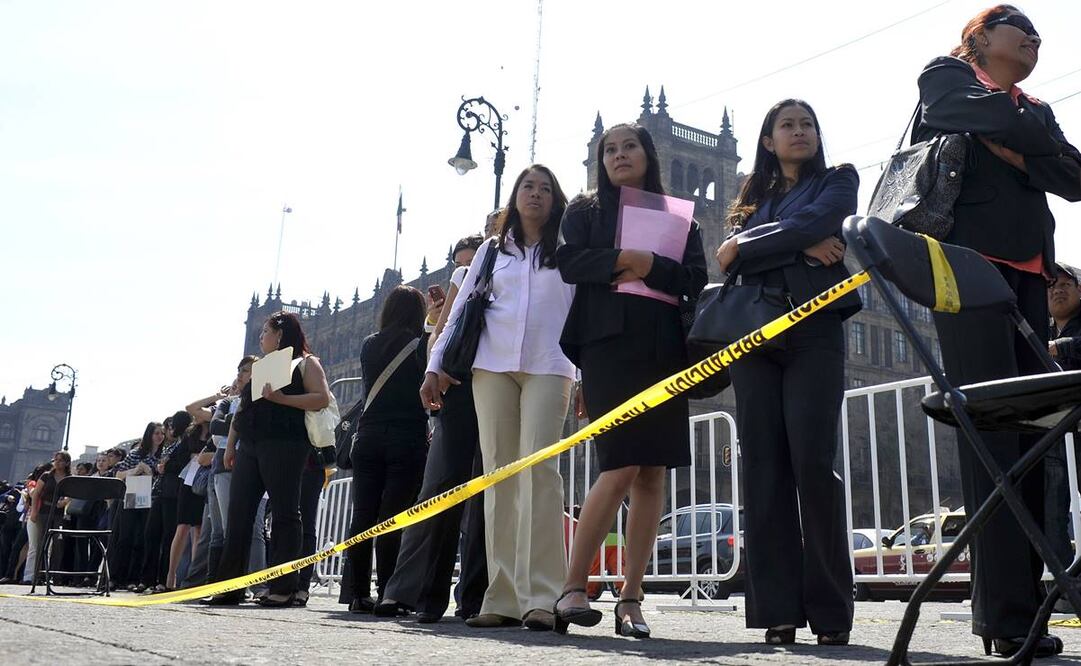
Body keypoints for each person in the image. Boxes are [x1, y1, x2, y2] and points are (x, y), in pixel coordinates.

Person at [915, 5, 1080, 657]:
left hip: (1027, 281)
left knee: (1031, 447)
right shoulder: (944, 73)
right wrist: (1027, 142)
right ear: (981, 38)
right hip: (965, 273)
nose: (1034, 41)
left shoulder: (1032, 106)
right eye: (1022, 32)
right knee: (991, 444)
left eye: (1039, 37)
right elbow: (964, 115)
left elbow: (1073, 177)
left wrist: (1020, 138)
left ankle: (1026, 608)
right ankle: (1000, 617)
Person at [713, 99, 861, 646]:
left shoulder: (838, 180)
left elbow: (820, 222)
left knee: (813, 466)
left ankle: (829, 612)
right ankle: (777, 611)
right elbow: (732, 260)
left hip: (813, 334)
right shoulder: (752, 196)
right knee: (764, 471)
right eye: (787, 126)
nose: (800, 132)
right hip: (753, 337)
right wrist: (794, 243)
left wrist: (742, 245)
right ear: (769, 140)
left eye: (808, 125)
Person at [553, 123, 707, 639]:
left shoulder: (678, 215)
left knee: (652, 474)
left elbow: (693, 281)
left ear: (648, 154)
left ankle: (632, 597)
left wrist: (650, 265)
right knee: (619, 465)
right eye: (609, 149)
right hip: (608, 346)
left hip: (663, 347)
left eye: (629, 146)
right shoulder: (584, 210)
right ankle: (574, 586)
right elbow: (569, 263)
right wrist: (624, 259)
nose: (619, 155)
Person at [423, 164, 574, 631]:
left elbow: (581, 313)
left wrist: (585, 376)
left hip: (551, 365)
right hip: (491, 368)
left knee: (540, 473)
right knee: (499, 476)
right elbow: (459, 313)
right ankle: (503, 594)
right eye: (528, 187)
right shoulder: (491, 251)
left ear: (556, 200)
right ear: (514, 196)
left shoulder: (568, 253)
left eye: (545, 189)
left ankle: (543, 596)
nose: (535, 194)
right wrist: (435, 366)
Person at [377, 233, 488, 623]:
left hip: (495, 389)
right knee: (437, 493)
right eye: (460, 261)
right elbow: (434, 344)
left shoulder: (502, 272)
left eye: (471, 258)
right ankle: (410, 591)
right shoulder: (457, 288)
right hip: (456, 395)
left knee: (483, 500)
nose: (465, 266)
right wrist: (436, 323)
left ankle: (475, 596)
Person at [208, 311, 331, 607]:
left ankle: (283, 587)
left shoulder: (305, 362)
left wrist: (283, 399)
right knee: (238, 515)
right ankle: (230, 587)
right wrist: (230, 446)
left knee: (286, 515)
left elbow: (322, 398)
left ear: (279, 333)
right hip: (251, 445)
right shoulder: (263, 366)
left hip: (286, 444)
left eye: (265, 331)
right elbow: (243, 409)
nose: (261, 337)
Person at [339, 285, 429, 614]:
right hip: (406, 437)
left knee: (362, 516)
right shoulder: (422, 346)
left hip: (368, 437)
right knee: (393, 518)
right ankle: (389, 592)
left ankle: (358, 594)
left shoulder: (368, 345)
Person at [108, 423, 164, 588]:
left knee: (142, 538)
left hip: (152, 498)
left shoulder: (164, 454)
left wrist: (150, 473)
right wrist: (135, 470)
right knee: (125, 537)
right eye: (156, 433)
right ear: (149, 435)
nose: (159, 436)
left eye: (161, 433)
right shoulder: (136, 453)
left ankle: (134, 578)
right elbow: (118, 474)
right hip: (134, 493)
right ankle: (116, 577)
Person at [1049, 263, 1081, 371]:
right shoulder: (1040, 329)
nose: (1057, 290)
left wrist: (1058, 347)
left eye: (1065, 284)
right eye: (1050, 286)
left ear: (1079, 289)